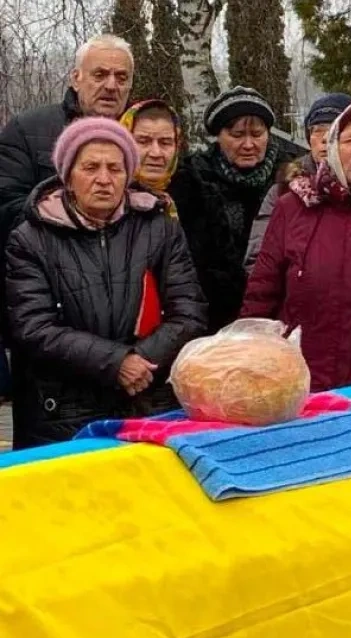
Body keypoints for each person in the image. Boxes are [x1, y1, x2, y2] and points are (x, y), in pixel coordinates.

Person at [5, 119, 206, 448]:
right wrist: (115, 363)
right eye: (90, 167)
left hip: (147, 405)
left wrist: (139, 363)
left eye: (115, 168)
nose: (103, 179)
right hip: (65, 414)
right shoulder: (31, 238)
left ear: (128, 175)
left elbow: (189, 312)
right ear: (68, 175)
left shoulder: (160, 228)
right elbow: (33, 326)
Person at [240, 100, 351, 392]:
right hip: (301, 384)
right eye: (349, 140)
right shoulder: (294, 206)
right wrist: (244, 358)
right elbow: (262, 293)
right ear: (332, 147)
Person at [168, 86, 297, 334]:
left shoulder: (291, 180)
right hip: (211, 316)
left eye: (257, 134)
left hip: (277, 314)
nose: (248, 144)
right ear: (218, 136)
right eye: (237, 135)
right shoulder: (193, 180)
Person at [0, 34, 135, 235]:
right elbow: (7, 207)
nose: (111, 86)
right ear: (75, 79)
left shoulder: (142, 136)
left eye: (121, 78)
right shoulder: (28, 129)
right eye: (100, 75)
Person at [244, 92, 351, 273]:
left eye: (335, 129)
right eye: (317, 131)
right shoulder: (285, 191)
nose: (325, 139)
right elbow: (259, 261)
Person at [119, 100, 183, 215]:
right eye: (143, 141)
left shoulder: (195, 200)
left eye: (165, 143)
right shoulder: (106, 206)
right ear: (124, 144)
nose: (156, 153)